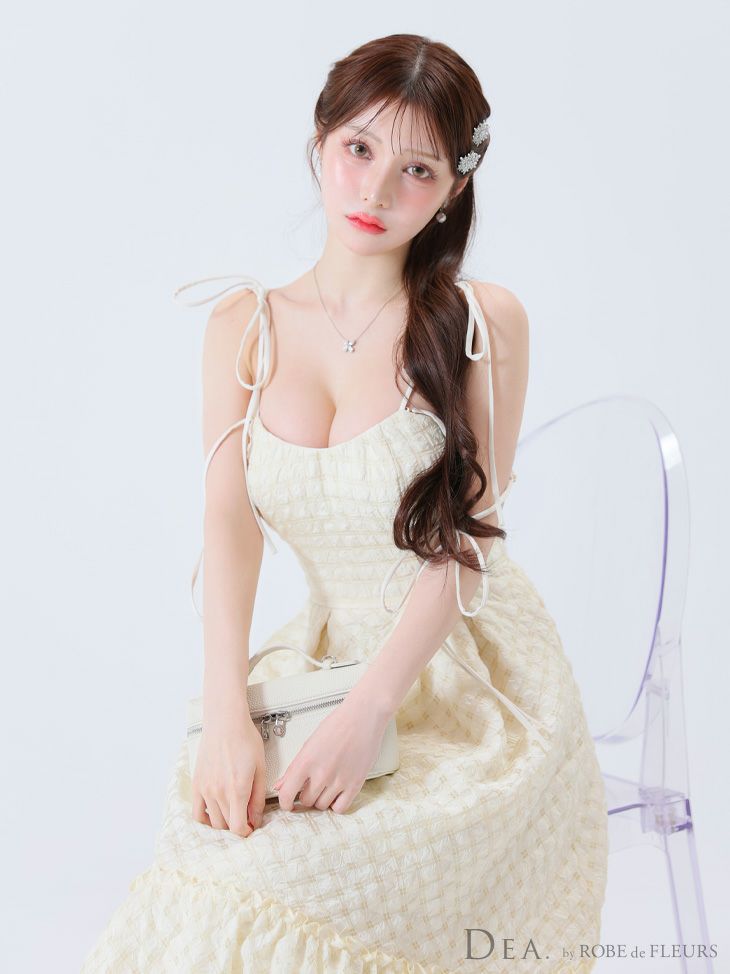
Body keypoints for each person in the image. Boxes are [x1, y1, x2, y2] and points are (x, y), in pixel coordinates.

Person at [81, 32, 608, 974]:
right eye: (359, 149)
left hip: (468, 681)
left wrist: (370, 711)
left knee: (298, 877)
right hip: (316, 663)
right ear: (320, 140)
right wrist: (228, 712)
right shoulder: (243, 325)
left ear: (453, 188)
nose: (375, 190)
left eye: (417, 169)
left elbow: (469, 540)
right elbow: (228, 526)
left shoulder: (482, 322)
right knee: (209, 855)